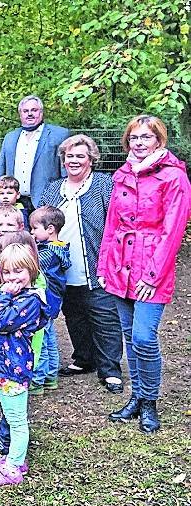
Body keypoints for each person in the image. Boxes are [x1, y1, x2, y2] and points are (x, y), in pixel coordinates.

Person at [99, 115, 191, 433]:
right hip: (119, 266)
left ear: (159, 140)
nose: (139, 143)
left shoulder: (174, 178)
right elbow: (112, 224)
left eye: (146, 137)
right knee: (129, 336)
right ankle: (136, 398)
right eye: (134, 137)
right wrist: (103, 267)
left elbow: (172, 233)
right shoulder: (122, 174)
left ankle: (149, 402)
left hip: (152, 268)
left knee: (143, 337)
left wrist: (151, 276)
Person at [39, 134, 124, 393]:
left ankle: (110, 370)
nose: (74, 161)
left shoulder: (102, 184)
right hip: (61, 266)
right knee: (74, 314)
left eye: (80, 156)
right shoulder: (53, 188)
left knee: (104, 317)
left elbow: (118, 221)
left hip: (96, 262)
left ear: (91, 160)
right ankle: (83, 359)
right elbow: (42, 223)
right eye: (69, 156)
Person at [0, 243, 50, 488]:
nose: (12, 277)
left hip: (12, 369)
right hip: (2, 367)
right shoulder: (17, 297)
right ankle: (13, 458)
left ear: (31, 270)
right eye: (7, 272)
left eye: (18, 271)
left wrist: (4, 295)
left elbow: (1, 322)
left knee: (17, 422)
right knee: (10, 416)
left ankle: (13, 468)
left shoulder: (29, 300)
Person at [0, 95, 69, 209]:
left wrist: (65, 199)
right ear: (20, 114)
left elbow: (65, 171)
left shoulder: (59, 135)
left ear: (41, 112)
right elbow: (0, 170)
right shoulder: (10, 137)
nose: (29, 114)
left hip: (47, 202)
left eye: (34, 110)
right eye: (25, 111)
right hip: (14, 203)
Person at [28, 206, 71, 394]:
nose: (31, 232)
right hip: (53, 302)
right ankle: (51, 377)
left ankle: (37, 380)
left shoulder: (47, 253)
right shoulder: (58, 248)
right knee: (50, 339)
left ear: (50, 229)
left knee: (40, 342)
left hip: (45, 302)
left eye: (35, 228)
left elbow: (30, 264)